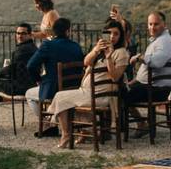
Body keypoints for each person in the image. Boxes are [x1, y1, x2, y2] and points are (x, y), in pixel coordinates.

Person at [48, 20, 128, 148]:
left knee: (60, 97)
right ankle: (83, 133)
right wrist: (96, 50)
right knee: (62, 97)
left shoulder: (122, 53)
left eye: (116, 34)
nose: (112, 37)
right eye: (109, 33)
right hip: (88, 91)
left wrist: (108, 57)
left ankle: (66, 135)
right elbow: (86, 62)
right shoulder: (100, 49)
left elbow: (115, 77)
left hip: (101, 95)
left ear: (121, 36)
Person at [25, 17, 84, 135]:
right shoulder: (76, 46)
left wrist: (39, 80)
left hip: (54, 88)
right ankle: (54, 121)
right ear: (68, 31)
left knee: (29, 94)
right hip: (75, 87)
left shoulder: (48, 45)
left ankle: (48, 124)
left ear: (54, 32)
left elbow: (30, 66)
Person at [124, 11, 171, 135]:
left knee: (120, 94)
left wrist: (138, 57)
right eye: (150, 24)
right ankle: (138, 123)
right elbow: (145, 72)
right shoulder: (157, 41)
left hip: (157, 90)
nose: (152, 27)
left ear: (164, 24)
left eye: (156, 24)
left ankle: (140, 124)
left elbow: (156, 62)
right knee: (122, 89)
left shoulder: (164, 42)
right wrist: (133, 82)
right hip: (150, 86)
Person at [0, 23, 38, 127]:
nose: (19, 36)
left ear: (30, 35)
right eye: (18, 33)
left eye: (23, 33)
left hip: (20, 87)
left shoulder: (22, 50)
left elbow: (10, 70)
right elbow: (16, 69)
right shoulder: (33, 48)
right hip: (32, 85)